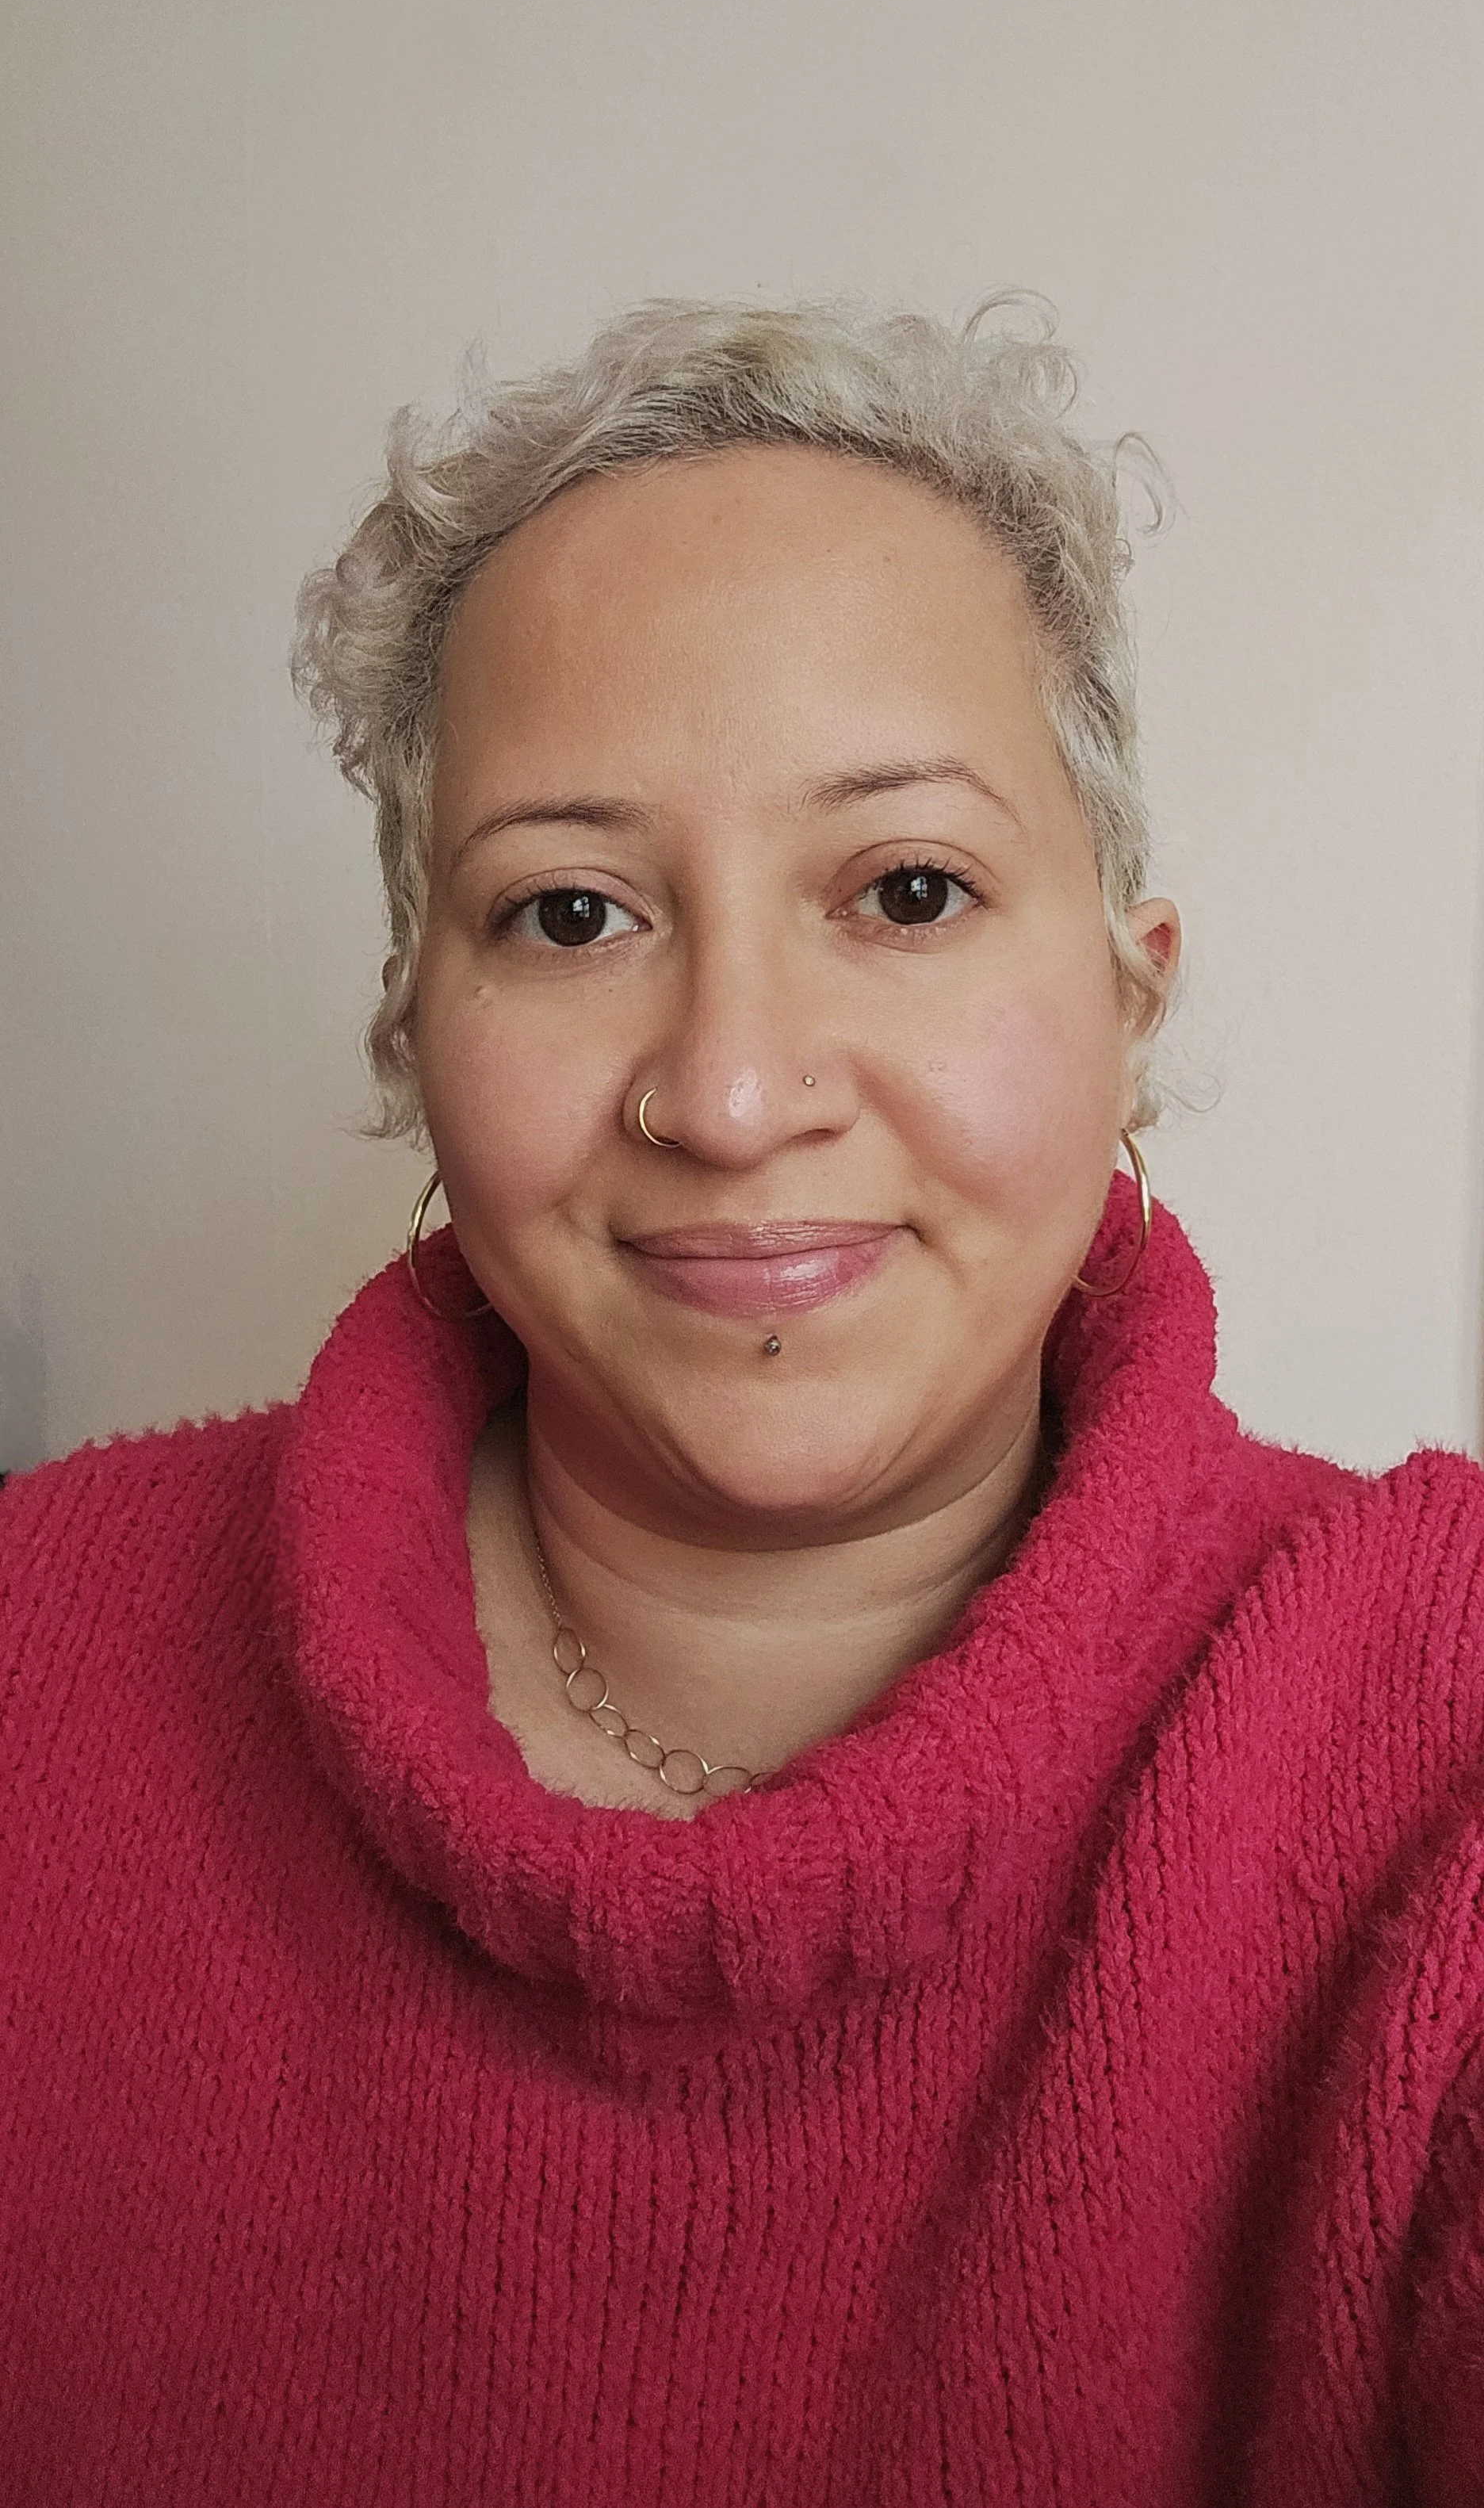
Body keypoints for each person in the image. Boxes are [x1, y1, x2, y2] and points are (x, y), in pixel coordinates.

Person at [2, 297, 1481, 2508]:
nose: (729, 1090)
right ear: (414, 1034)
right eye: (572, 911)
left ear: (1125, 994)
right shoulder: (40, 1655)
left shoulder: (1427, 1728)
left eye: (906, 890)